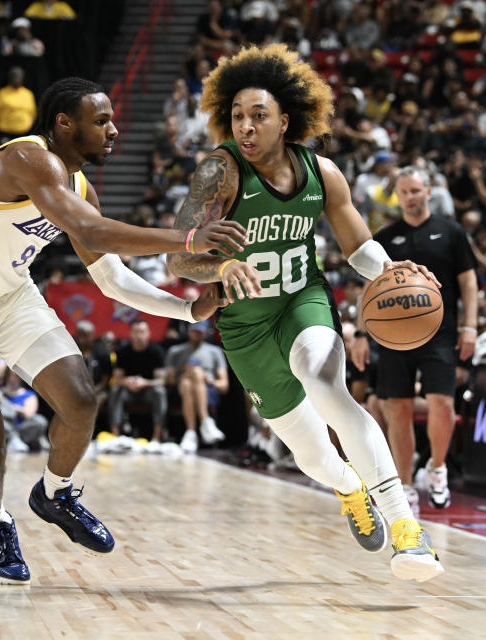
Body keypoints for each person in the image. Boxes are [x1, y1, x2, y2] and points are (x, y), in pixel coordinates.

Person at [0, 76, 246, 584]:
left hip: (11, 296)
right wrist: (189, 238)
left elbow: (109, 276)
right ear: (64, 123)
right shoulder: (25, 158)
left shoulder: (79, 185)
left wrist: (186, 311)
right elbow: (89, 231)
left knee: (82, 399)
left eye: (112, 119)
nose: (114, 130)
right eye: (102, 120)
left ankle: (55, 492)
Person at [165, 45, 443, 582]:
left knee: (324, 383)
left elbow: (358, 246)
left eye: (259, 116)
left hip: (301, 300)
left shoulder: (323, 172)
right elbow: (178, 256)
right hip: (244, 324)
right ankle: (347, 488)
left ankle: (407, 529)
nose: (246, 127)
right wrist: (219, 270)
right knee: (311, 455)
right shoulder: (218, 174)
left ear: (286, 119)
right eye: (239, 116)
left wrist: (389, 272)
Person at [352, 165, 478, 514]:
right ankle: (405, 485)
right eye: (403, 191)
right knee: (398, 408)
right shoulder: (386, 235)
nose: (409, 197)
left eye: (415, 190)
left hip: (441, 333)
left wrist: (471, 326)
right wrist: (362, 333)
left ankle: (437, 468)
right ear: (398, 196)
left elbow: (468, 282)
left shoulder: (450, 231)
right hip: (394, 337)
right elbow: (370, 286)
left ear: (428, 192)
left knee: (442, 403)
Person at [164, 320, 228, 452]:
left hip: (207, 388)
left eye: (200, 331)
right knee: (192, 374)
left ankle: (190, 432)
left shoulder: (215, 351)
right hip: (179, 388)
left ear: (206, 332)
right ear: (188, 331)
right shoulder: (175, 351)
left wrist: (209, 380)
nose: (197, 334)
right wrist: (184, 370)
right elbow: (170, 380)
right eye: (194, 330)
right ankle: (205, 421)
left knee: (191, 379)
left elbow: (224, 385)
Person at [108, 319, 167, 447]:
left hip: (148, 391)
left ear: (148, 333)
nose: (139, 335)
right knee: (114, 390)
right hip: (129, 391)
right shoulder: (123, 352)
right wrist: (126, 381)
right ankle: (115, 436)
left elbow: (162, 381)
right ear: (130, 334)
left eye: (142, 332)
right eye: (135, 332)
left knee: (160, 391)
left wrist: (145, 382)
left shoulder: (156, 351)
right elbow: (117, 379)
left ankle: (156, 437)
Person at [0, 67, 37, 148]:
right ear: (10, 77)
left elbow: (33, 115)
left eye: (19, 76)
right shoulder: (2, 93)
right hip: (6, 135)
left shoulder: (28, 94)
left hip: (24, 135)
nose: (16, 78)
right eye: (14, 76)